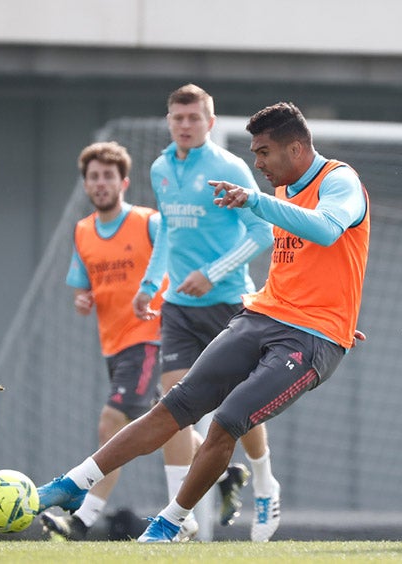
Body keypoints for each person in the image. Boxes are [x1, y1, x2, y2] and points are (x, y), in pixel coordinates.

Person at [35, 100, 369, 543]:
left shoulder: (339, 180)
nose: (258, 163)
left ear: (295, 149)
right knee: (174, 405)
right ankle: (74, 483)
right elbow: (300, 267)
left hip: (311, 338)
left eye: (264, 152)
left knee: (228, 418)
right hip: (261, 314)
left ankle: (169, 523)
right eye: (254, 153)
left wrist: (255, 204)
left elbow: (327, 230)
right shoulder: (271, 187)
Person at [132, 83, 281, 541]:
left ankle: (261, 481)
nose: (185, 125)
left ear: (210, 123)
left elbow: (264, 234)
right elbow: (169, 235)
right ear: (169, 120)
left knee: (239, 410)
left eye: (194, 118)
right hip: (178, 308)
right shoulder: (160, 168)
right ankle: (182, 517)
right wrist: (149, 285)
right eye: (177, 118)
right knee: (174, 408)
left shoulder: (230, 167)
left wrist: (214, 273)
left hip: (230, 302)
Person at [41, 141, 169, 541]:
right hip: (112, 346)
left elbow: (170, 262)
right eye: (93, 177)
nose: (100, 183)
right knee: (169, 424)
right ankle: (221, 473)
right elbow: (83, 290)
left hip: (150, 337)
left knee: (112, 422)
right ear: (86, 185)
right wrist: (83, 299)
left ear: (123, 182)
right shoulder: (82, 233)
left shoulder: (149, 222)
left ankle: (83, 519)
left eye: (107, 176)